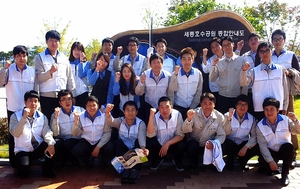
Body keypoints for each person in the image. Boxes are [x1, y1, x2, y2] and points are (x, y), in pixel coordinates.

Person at [0, 45, 35, 174]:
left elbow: (35, 91)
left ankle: (27, 160)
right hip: (13, 109)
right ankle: (14, 163)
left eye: (24, 55)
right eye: (18, 55)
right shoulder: (8, 70)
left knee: (30, 134)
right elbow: (0, 82)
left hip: (29, 109)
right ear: (14, 57)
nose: (22, 58)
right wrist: (4, 68)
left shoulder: (32, 71)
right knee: (13, 136)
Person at [9, 90, 60, 178]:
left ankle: (46, 169)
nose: (33, 103)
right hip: (23, 149)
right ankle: (26, 167)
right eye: (30, 100)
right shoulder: (15, 116)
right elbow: (16, 134)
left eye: (35, 101)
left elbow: (46, 132)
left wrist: (51, 143)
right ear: (25, 102)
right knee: (23, 169)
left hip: (38, 147)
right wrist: (24, 118)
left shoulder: (42, 117)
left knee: (56, 143)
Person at [271, 29, 300, 168]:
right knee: (272, 122)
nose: (277, 41)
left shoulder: (290, 55)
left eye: (280, 39)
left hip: (286, 94)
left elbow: (298, 74)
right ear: (272, 41)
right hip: (272, 94)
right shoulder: (268, 55)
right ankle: (272, 154)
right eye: (275, 39)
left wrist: (289, 72)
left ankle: (292, 153)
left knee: (289, 121)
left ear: (284, 41)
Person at [256, 97, 300, 186]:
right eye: (266, 110)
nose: (269, 112)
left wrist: (295, 120)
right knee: (266, 168)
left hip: (284, 150)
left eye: (272, 109)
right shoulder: (260, 125)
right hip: (271, 151)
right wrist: (270, 161)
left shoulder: (286, 120)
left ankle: (285, 175)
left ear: (278, 110)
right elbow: (262, 146)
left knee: (289, 147)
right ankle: (269, 168)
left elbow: (298, 131)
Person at [240, 41, 289, 121]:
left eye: (267, 51)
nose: (265, 53)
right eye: (262, 51)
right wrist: (244, 71)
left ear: (271, 52)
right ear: (259, 54)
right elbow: (243, 82)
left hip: (277, 108)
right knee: (262, 131)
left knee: (278, 131)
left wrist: (285, 106)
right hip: (260, 108)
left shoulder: (280, 69)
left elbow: (285, 89)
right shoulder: (254, 71)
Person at [34, 30, 75, 122]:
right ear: (46, 42)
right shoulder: (39, 57)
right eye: (51, 40)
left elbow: (69, 77)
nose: (54, 43)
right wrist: (50, 72)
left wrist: (72, 95)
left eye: (56, 41)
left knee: (62, 122)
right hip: (47, 97)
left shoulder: (64, 58)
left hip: (63, 97)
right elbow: (39, 77)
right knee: (47, 121)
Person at [105, 101, 147, 184]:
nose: (130, 112)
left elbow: (141, 138)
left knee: (140, 147)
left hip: (134, 150)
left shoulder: (141, 123)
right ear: (124, 112)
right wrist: (107, 112)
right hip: (123, 151)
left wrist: (143, 148)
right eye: (127, 110)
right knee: (117, 142)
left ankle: (135, 170)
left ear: (136, 112)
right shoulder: (120, 121)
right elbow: (111, 121)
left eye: (132, 110)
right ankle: (124, 171)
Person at [182, 92, 226, 170]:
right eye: (205, 103)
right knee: (191, 145)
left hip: (209, 145)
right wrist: (188, 119)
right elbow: (185, 130)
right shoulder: (194, 113)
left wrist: (214, 144)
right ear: (200, 104)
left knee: (221, 145)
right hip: (196, 143)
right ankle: (194, 162)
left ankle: (213, 163)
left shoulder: (220, 117)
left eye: (210, 103)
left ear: (214, 104)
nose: (207, 106)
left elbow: (221, 135)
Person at [71, 95, 114, 169]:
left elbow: (107, 133)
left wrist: (98, 147)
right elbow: (75, 133)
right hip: (86, 141)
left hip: (100, 141)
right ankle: (88, 161)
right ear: (85, 106)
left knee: (110, 148)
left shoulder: (104, 116)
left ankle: (102, 161)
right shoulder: (80, 116)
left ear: (98, 106)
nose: (92, 108)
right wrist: (76, 122)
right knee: (75, 151)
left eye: (94, 105)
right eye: (89, 105)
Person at [209, 36, 248, 114]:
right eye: (224, 45)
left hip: (236, 98)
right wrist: (213, 66)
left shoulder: (241, 60)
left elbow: (244, 81)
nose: (227, 47)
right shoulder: (219, 62)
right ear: (222, 47)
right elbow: (212, 79)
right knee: (223, 122)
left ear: (233, 44)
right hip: (222, 97)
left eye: (229, 44)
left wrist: (244, 97)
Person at [146, 96, 185, 171]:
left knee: (182, 145)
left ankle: (177, 160)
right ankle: (157, 159)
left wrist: (168, 143)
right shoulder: (155, 116)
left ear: (171, 107)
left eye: (167, 107)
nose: (164, 110)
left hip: (173, 143)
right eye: (162, 107)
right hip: (160, 145)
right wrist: (151, 117)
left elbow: (180, 135)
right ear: (158, 108)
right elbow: (150, 134)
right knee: (150, 142)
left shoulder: (177, 114)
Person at [223, 94, 259, 171]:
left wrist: (246, 147)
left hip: (242, 143)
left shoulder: (251, 118)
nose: (242, 107)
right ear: (236, 105)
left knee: (257, 146)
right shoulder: (227, 115)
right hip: (229, 143)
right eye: (240, 104)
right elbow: (225, 132)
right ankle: (229, 161)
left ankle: (243, 161)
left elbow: (254, 136)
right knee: (228, 144)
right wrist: (229, 119)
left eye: (245, 105)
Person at [50, 89, 85, 168]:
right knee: (57, 143)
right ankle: (65, 160)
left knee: (69, 144)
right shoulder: (55, 114)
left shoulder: (80, 110)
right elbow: (55, 133)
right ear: (60, 102)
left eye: (69, 99)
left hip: (78, 139)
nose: (67, 102)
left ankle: (72, 159)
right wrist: (56, 118)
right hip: (63, 140)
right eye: (64, 100)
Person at [135, 53, 171, 123]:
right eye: (154, 63)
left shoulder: (168, 76)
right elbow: (138, 92)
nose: (156, 65)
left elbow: (170, 93)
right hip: (149, 106)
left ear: (162, 64)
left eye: (158, 62)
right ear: (150, 65)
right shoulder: (145, 74)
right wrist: (141, 83)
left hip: (163, 107)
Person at [168, 47, 203, 120]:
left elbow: (199, 92)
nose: (187, 62)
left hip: (193, 107)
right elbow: (171, 90)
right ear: (181, 60)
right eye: (184, 59)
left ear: (193, 60)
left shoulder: (198, 73)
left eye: (189, 59)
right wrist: (175, 75)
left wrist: (192, 107)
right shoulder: (175, 74)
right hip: (178, 106)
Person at [241, 32, 261, 116]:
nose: (253, 41)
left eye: (255, 39)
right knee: (250, 113)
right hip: (249, 89)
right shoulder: (244, 56)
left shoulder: (264, 54)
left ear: (259, 41)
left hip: (261, 88)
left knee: (260, 112)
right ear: (248, 43)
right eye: (251, 40)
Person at [202, 37, 223, 109]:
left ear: (221, 46)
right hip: (214, 90)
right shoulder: (211, 59)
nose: (215, 48)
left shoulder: (227, 57)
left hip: (226, 90)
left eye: (217, 45)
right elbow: (205, 70)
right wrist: (204, 56)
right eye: (212, 47)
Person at [68, 42, 89, 108]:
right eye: (75, 50)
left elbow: (81, 75)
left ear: (82, 52)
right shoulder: (68, 63)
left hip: (82, 92)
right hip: (71, 92)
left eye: (79, 50)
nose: (77, 52)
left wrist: (81, 62)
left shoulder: (86, 63)